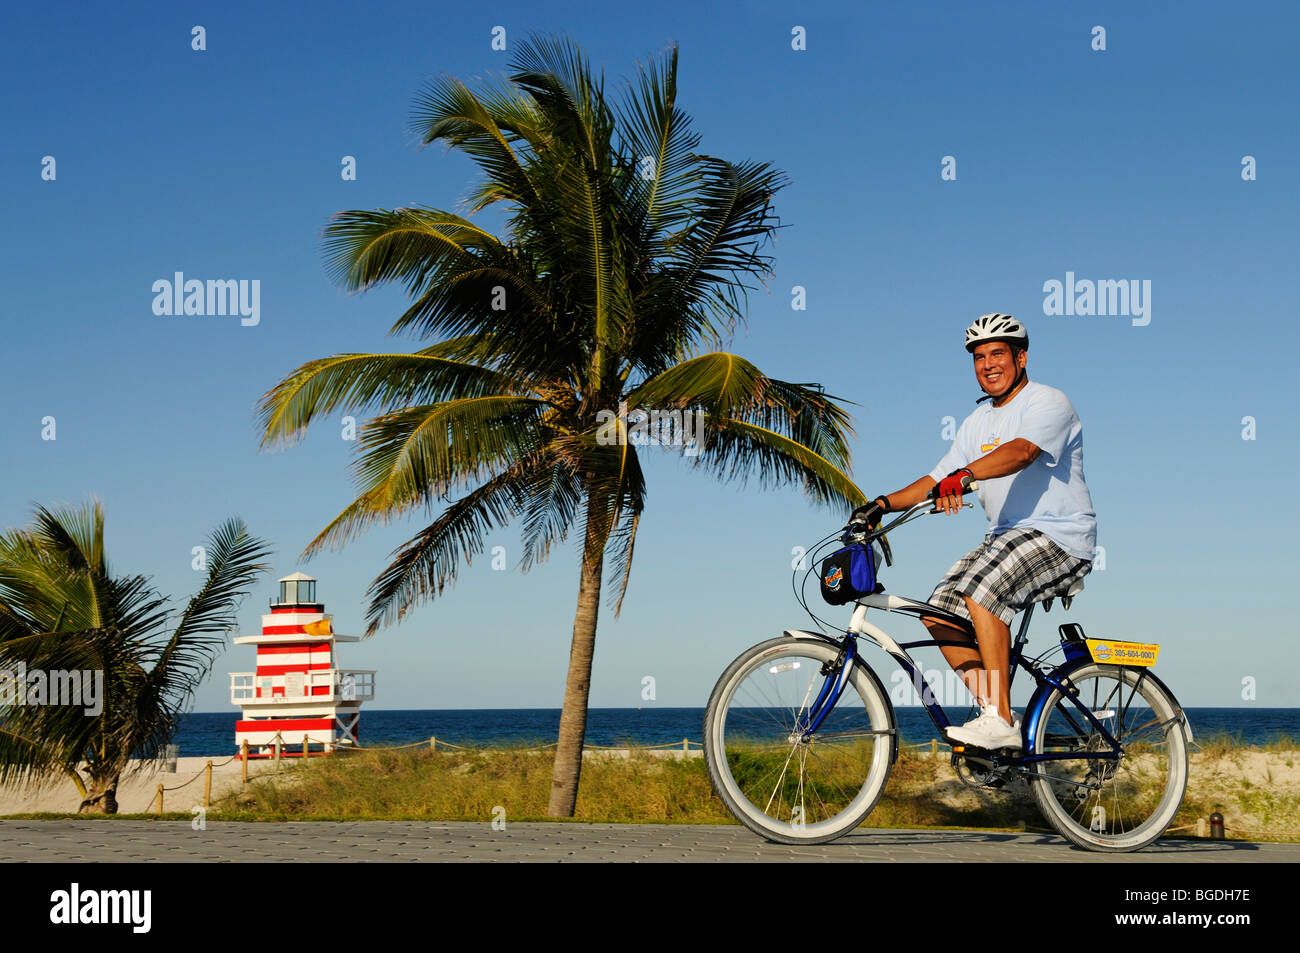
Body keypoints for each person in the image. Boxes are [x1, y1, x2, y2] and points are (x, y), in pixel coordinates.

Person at [850, 313, 1096, 749]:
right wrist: (881, 505)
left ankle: (999, 718)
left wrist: (963, 477)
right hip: (1005, 539)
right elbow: (934, 480)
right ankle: (996, 716)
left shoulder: (1048, 402)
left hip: (1059, 537)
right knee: (938, 610)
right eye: (979, 357)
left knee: (982, 591)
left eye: (998, 353)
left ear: (1021, 358)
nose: (988, 364)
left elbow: (1020, 452)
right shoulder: (975, 422)